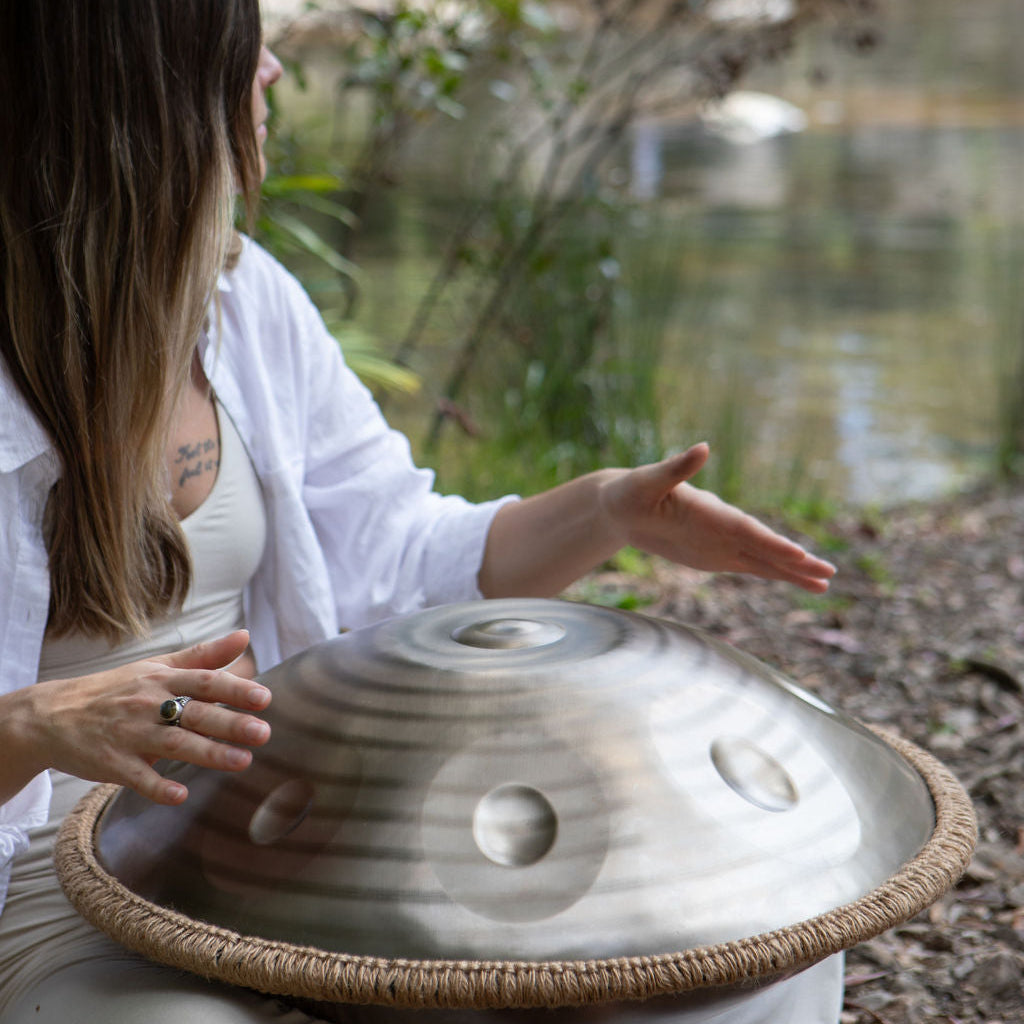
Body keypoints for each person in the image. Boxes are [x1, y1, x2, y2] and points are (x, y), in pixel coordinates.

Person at [0, 2, 841, 1021]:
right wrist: (43, 723)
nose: (271, 72)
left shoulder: (246, 304)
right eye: (238, 51)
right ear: (143, 99)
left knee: (751, 956)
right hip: (50, 894)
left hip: (272, 848)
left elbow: (398, 560)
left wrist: (606, 510)